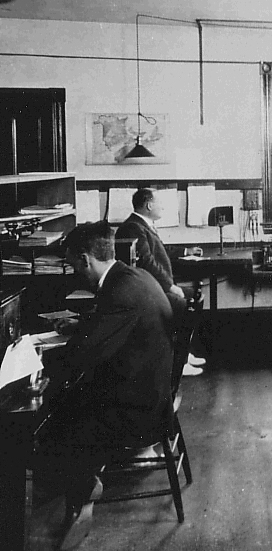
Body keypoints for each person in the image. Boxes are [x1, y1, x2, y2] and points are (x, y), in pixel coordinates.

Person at [33, 221, 175, 550]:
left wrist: (36, 366)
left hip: (140, 412)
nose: (72, 270)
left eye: (71, 263)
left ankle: (77, 494)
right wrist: (82, 324)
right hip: (151, 391)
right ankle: (70, 481)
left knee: (57, 416)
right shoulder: (132, 276)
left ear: (85, 260)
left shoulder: (119, 292)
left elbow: (82, 356)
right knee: (67, 406)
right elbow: (113, 325)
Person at [115, 188, 204, 375]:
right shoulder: (133, 227)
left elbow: (160, 250)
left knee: (195, 297)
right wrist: (170, 286)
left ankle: (183, 353)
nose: (163, 207)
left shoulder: (142, 225)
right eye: (159, 203)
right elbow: (148, 262)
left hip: (155, 287)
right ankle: (177, 363)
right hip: (148, 291)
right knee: (180, 303)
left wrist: (187, 251)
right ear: (148, 205)